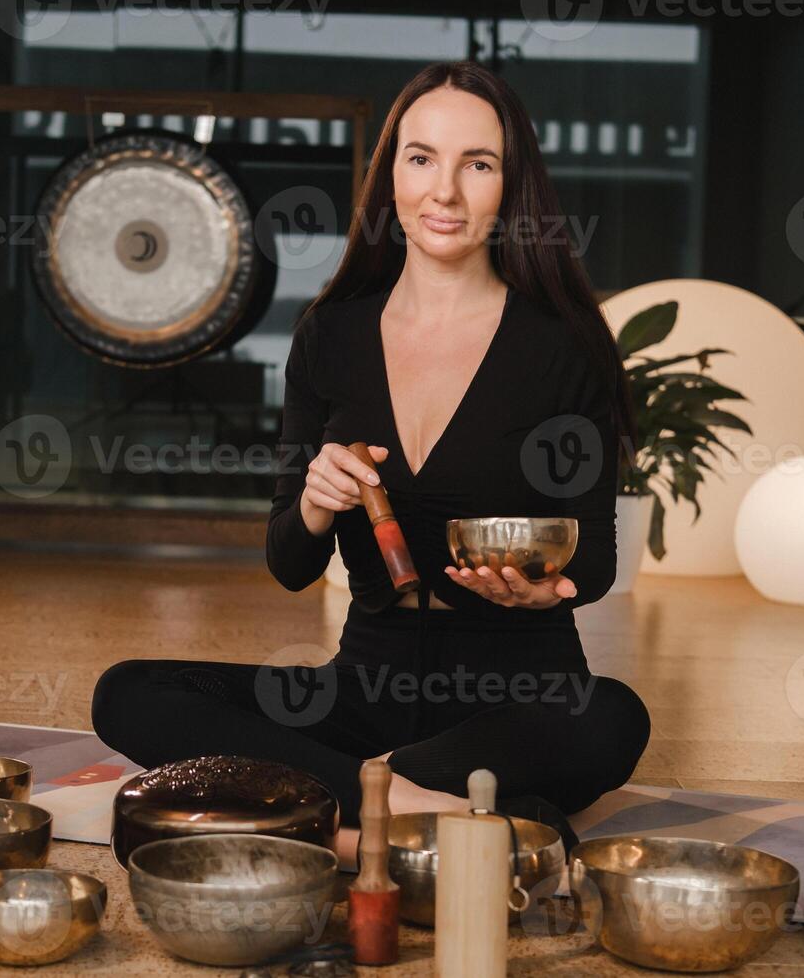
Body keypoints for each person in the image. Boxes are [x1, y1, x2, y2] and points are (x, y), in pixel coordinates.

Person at [92, 60, 650, 869]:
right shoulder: (332, 336)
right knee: (128, 692)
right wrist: (315, 504)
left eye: (478, 164)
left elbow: (592, 559)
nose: (445, 192)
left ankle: (335, 811)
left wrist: (539, 589)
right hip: (363, 692)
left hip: (517, 701)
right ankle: (428, 811)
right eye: (421, 158)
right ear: (391, 174)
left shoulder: (563, 345)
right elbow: (289, 561)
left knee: (613, 718)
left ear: (513, 183)